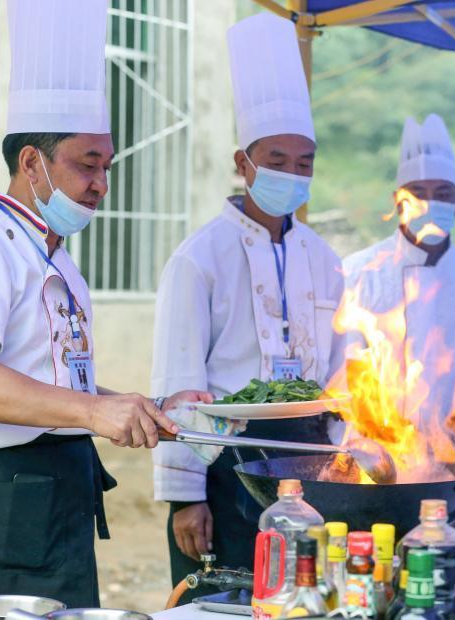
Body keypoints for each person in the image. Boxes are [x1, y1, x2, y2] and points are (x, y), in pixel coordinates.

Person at [0, 0, 209, 608]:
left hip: (56, 503)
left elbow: (53, 384)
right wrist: (94, 415)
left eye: (107, 166)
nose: (100, 183)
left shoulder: (59, 261)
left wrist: (138, 406)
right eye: (86, 164)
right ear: (31, 163)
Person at [151, 13, 345, 604]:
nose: (292, 174)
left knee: (306, 602)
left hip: (311, 465)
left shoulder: (327, 259)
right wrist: (186, 497)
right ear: (244, 163)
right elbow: (178, 386)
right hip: (227, 465)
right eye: (277, 159)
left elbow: (342, 369)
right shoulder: (199, 258)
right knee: (226, 605)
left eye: (304, 162)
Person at [342, 114, 455, 459]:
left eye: (443, 194)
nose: (430, 203)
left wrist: (454, 443)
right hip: (370, 456)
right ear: (397, 200)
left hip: (449, 461)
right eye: (418, 192)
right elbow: (348, 371)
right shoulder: (359, 271)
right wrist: (392, 440)